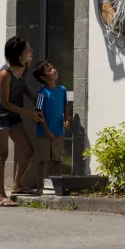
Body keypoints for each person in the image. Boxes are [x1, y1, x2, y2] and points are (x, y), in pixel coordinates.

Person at [0, 36, 43, 207]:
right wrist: (29, 113)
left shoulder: (23, 69)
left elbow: (23, 86)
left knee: (27, 149)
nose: (31, 52)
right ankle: (1, 196)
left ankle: (18, 185)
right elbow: (5, 103)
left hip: (13, 113)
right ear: (18, 55)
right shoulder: (4, 74)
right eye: (28, 50)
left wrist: (34, 99)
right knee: (2, 155)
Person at [32, 59, 70, 190]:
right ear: (43, 77)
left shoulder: (63, 90)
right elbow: (38, 114)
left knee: (57, 160)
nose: (53, 71)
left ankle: (58, 187)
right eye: (49, 70)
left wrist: (67, 120)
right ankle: (39, 187)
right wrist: (47, 131)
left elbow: (65, 107)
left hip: (59, 131)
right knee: (42, 160)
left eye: (53, 68)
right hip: (44, 134)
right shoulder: (42, 94)